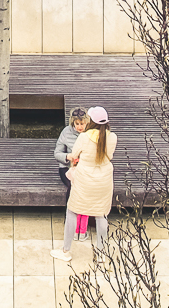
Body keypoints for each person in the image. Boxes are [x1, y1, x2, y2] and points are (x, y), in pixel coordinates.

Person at [54, 106, 117, 263]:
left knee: (72, 211)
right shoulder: (112, 137)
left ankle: (66, 251)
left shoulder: (84, 137)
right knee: (101, 214)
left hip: (85, 179)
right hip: (104, 179)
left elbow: (74, 155)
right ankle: (101, 253)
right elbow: (109, 156)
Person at [53, 107, 88, 188]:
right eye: (77, 124)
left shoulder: (90, 133)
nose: (79, 127)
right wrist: (67, 156)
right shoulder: (66, 132)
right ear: (73, 123)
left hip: (86, 166)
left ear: (87, 122)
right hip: (68, 167)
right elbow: (57, 153)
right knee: (73, 184)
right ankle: (69, 201)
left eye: (82, 124)